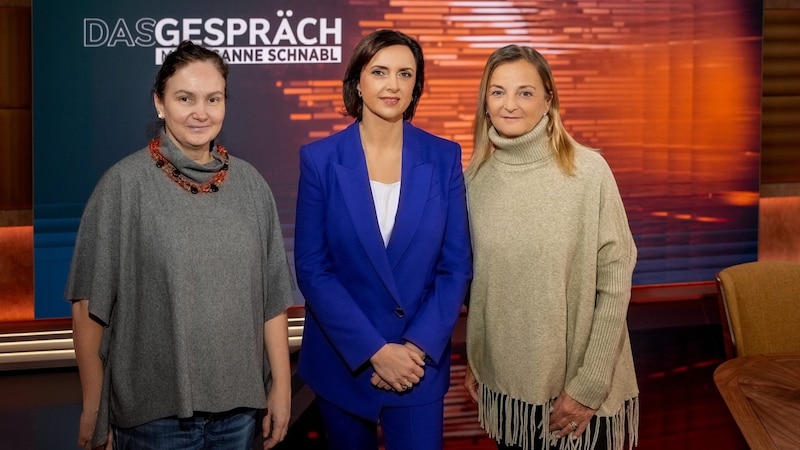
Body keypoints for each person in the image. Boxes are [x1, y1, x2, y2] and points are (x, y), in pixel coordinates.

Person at [66, 40, 294, 450]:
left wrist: (280, 386)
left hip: (240, 414)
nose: (200, 112)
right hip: (154, 419)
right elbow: (88, 306)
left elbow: (272, 300)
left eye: (213, 98)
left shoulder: (251, 185)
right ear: (159, 102)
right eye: (184, 98)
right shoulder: (122, 186)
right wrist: (93, 406)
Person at [293, 29, 472, 450]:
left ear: (416, 86)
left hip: (417, 364)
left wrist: (414, 347)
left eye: (405, 74)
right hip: (344, 361)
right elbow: (312, 268)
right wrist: (374, 349)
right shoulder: (320, 160)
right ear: (358, 81)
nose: (392, 84)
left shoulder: (444, 157)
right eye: (380, 71)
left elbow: (456, 266)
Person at [462, 45, 639, 450]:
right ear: (485, 103)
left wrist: (589, 385)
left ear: (548, 100)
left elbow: (615, 277)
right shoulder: (474, 181)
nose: (510, 105)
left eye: (525, 92)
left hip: (579, 391)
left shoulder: (587, 170)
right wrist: (478, 360)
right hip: (508, 390)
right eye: (497, 92)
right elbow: (481, 285)